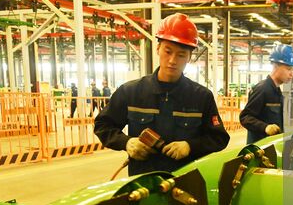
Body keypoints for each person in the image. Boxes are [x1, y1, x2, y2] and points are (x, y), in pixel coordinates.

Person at [94, 13, 230, 176]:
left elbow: (219, 138)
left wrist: (190, 146)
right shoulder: (130, 92)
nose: (172, 60)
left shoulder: (201, 97)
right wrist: (126, 142)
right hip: (143, 182)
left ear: (189, 57)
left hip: (186, 180)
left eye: (181, 55)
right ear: (158, 49)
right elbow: (103, 125)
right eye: (168, 51)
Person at [239, 43, 293, 144]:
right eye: (288, 69)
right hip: (259, 149)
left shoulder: (277, 91)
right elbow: (245, 117)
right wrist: (265, 127)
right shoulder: (262, 89)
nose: (292, 74)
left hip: (272, 146)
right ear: (275, 65)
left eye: (292, 70)